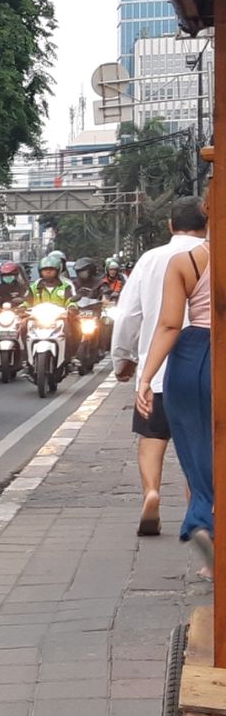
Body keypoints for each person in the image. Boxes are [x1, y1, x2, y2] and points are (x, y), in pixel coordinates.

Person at [112, 197, 206, 536]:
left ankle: (151, 491)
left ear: (170, 225)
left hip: (158, 370)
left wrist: (122, 360)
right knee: (196, 447)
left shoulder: (151, 259)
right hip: (201, 368)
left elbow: (128, 314)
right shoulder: (209, 256)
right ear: (206, 223)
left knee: (152, 435)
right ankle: (198, 512)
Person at [137, 238, 213, 578]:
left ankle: (204, 520)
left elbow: (169, 325)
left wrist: (146, 377)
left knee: (197, 450)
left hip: (195, 357)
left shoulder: (188, 262)